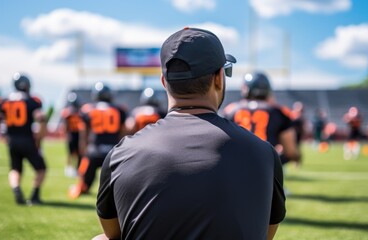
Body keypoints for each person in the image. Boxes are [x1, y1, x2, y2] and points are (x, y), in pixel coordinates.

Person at [94, 27, 286, 240]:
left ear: (164, 82)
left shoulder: (121, 153)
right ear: (219, 79)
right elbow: (266, 234)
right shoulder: (264, 153)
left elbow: (112, 232)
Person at [222, 72, 300, 166]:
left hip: (236, 163)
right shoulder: (279, 111)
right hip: (265, 164)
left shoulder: (230, 110)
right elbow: (290, 151)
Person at [68, 82, 127, 199]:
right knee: (119, 183)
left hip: (94, 151)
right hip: (113, 150)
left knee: (84, 181)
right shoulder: (119, 109)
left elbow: (84, 133)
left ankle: (83, 187)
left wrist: (83, 151)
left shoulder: (87, 109)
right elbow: (124, 132)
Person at [0, 72, 47, 205]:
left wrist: (0, 134)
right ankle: (34, 196)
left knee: (15, 168)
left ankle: (16, 189)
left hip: (12, 140)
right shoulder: (32, 100)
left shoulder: (5, 100)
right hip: (27, 139)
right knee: (41, 168)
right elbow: (41, 117)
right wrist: (39, 137)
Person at [60, 92, 85, 177]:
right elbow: (65, 124)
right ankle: (69, 168)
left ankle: (78, 168)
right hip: (72, 134)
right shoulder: (67, 113)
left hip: (79, 134)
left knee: (80, 153)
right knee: (71, 153)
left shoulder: (81, 113)